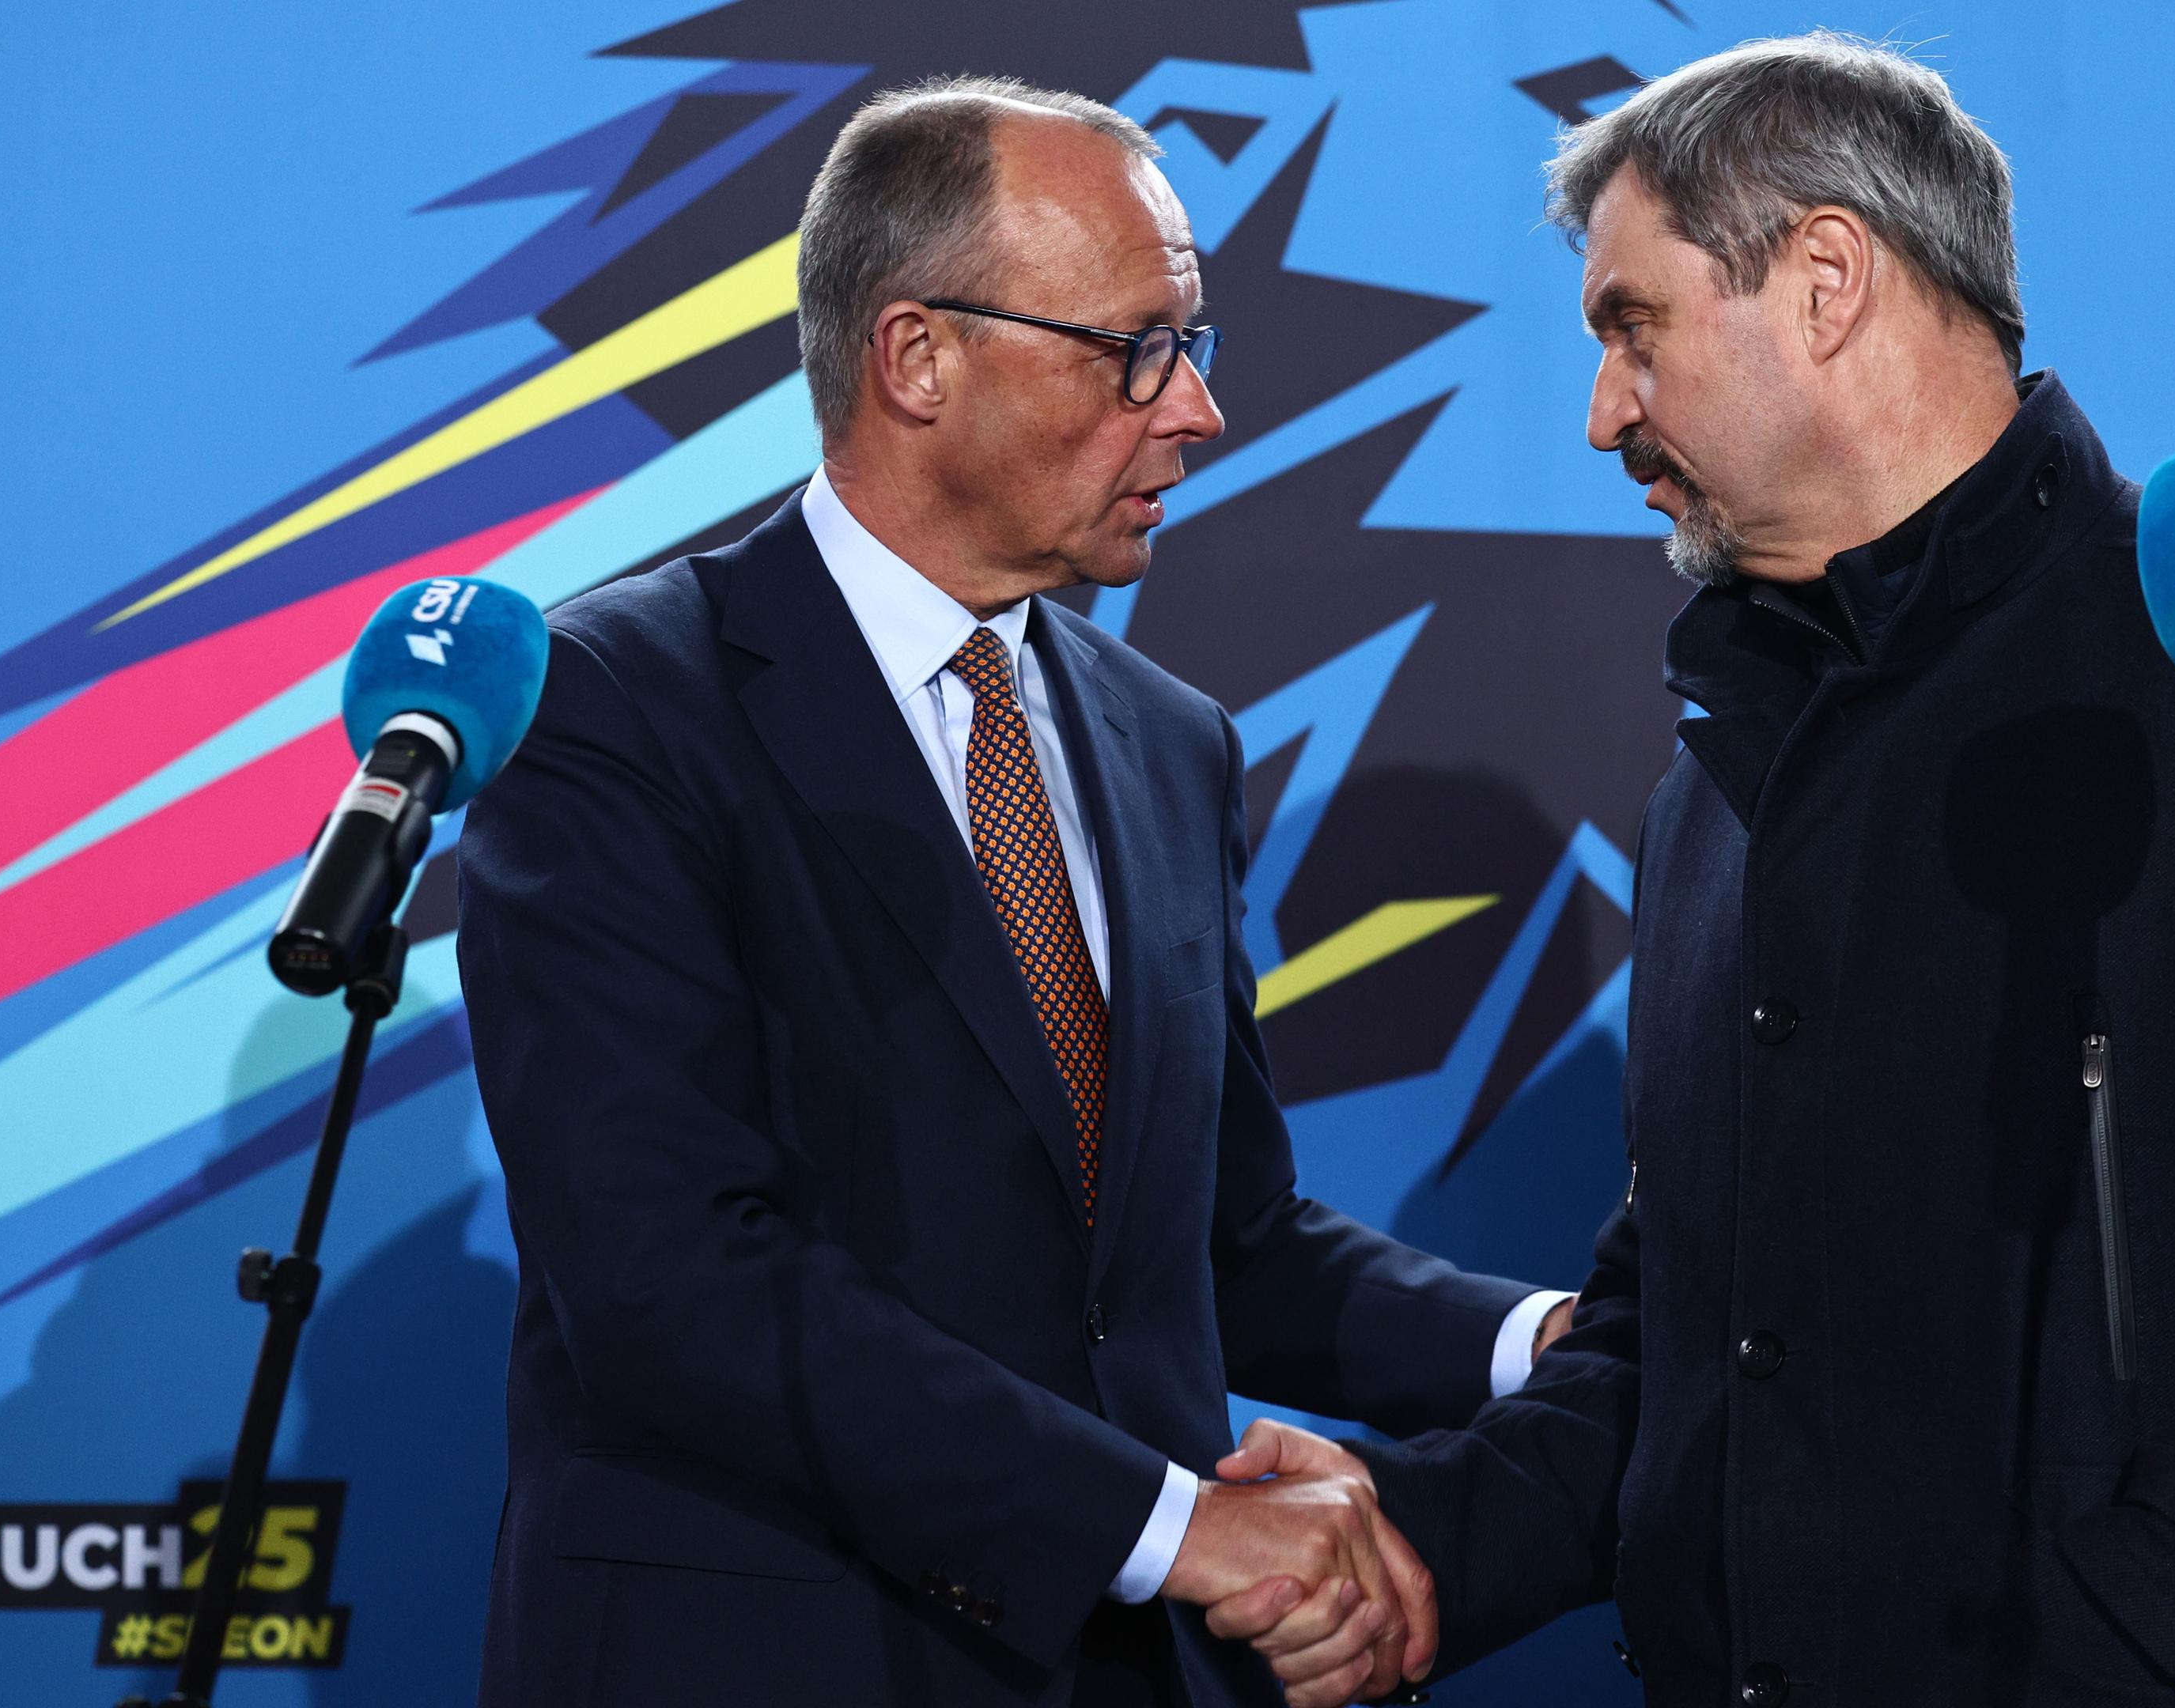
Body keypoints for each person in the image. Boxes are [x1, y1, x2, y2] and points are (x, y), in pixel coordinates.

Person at [1235, 33, 2175, 1706]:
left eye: (1630, 326)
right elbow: (1692, 1337)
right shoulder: (1716, 790)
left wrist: (2146, 1618)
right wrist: (1426, 1540)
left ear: (1825, 278)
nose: (1604, 412)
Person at [456, 76, 1572, 1708]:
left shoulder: (1167, 742)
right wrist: (1168, 1526)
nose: (1194, 411)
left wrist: (1529, 1345)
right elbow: (666, 1280)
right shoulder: (616, 707)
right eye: (1136, 348)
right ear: (918, 357)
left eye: (1194, 347)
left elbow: (1210, 1245)